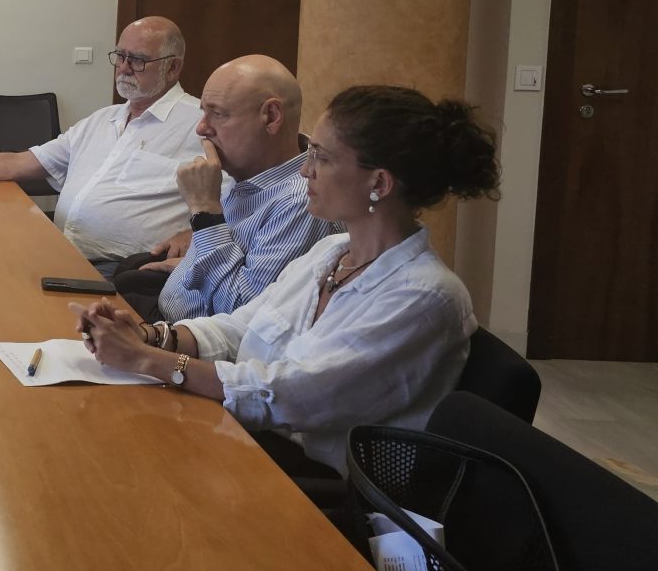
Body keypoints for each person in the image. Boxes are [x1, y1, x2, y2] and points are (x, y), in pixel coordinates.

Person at [71, 85, 498, 475]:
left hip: (314, 484)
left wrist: (148, 361)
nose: (305, 171)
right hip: (254, 443)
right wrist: (152, 337)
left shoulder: (424, 296)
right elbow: (240, 326)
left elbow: (293, 395)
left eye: (322, 158)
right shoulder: (332, 252)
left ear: (379, 182)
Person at [0, 16, 202, 269]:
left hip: (127, 270)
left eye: (138, 60)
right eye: (120, 56)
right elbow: (18, 163)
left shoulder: (199, 124)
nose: (124, 67)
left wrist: (194, 234)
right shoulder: (102, 120)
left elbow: (232, 204)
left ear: (173, 67)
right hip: (63, 254)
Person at [114, 56, 340, 322]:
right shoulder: (248, 172)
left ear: (271, 117)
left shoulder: (301, 202)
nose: (201, 128)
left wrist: (205, 212)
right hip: (169, 307)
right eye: (203, 112)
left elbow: (239, 316)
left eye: (218, 114)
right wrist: (190, 261)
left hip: (192, 338)